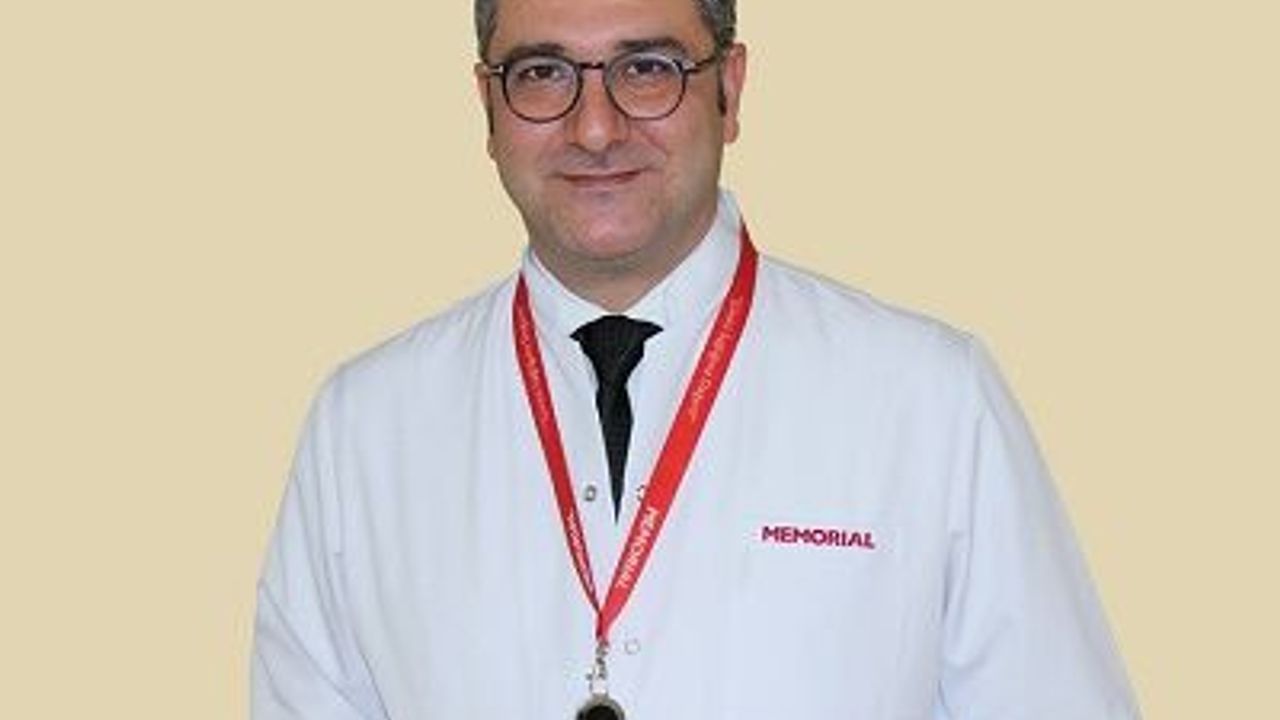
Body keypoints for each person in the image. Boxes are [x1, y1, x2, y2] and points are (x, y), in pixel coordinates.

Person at [251, 0, 1142, 717]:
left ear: (731, 90)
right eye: (543, 72)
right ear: (487, 106)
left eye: (647, 68)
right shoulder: (364, 427)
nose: (594, 127)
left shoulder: (930, 398)